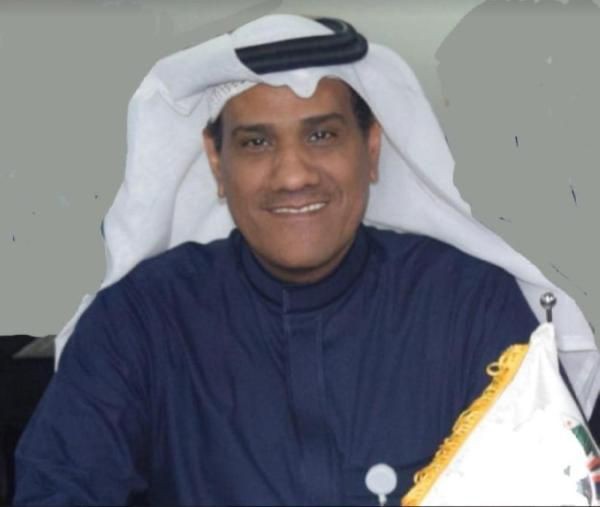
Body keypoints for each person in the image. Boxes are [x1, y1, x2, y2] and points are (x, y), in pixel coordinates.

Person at [13, 14, 599, 506]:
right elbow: (60, 488)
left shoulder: (468, 304)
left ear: (371, 149)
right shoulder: (139, 321)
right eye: (256, 142)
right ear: (216, 162)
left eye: (322, 136)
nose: (293, 175)